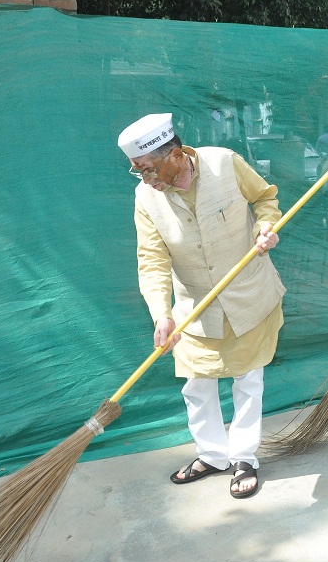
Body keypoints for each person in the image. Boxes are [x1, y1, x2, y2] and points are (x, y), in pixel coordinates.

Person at [119, 112, 284, 500]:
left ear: (176, 155)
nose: (145, 178)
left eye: (148, 168)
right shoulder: (145, 197)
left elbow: (265, 198)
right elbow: (152, 259)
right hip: (195, 306)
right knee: (197, 384)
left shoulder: (224, 163)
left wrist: (265, 226)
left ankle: (244, 458)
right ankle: (212, 455)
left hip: (247, 294)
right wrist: (161, 313)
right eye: (137, 170)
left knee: (248, 380)